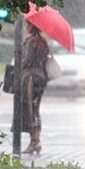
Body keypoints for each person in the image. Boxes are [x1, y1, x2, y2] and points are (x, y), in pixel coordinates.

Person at [21, 21, 50, 154]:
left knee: (29, 110)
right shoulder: (44, 42)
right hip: (42, 78)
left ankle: (34, 141)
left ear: (32, 26)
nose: (26, 27)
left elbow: (27, 61)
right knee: (36, 109)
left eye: (28, 25)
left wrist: (19, 62)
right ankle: (37, 138)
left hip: (31, 78)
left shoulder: (30, 42)